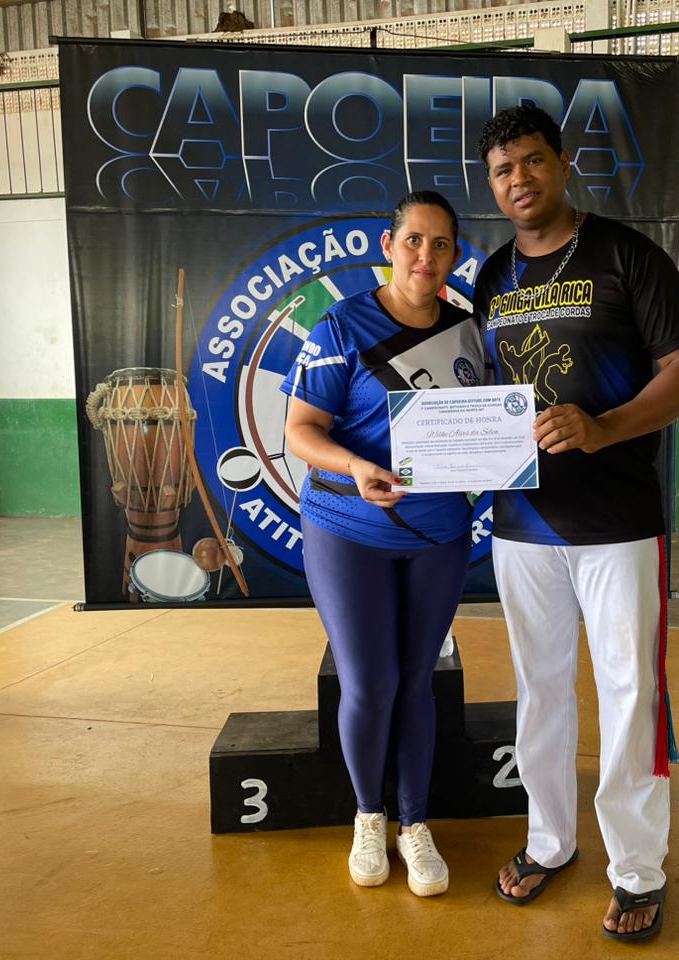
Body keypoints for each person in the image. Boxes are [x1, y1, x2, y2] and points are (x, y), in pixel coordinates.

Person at [473, 105, 679, 942]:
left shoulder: (626, 255)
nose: (520, 180)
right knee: (539, 690)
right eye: (503, 170)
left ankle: (638, 868)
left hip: (618, 519)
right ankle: (549, 840)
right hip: (521, 519)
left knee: (630, 691)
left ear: (563, 163)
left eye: (533, 161)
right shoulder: (491, 275)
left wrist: (604, 428)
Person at [281, 191, 485, 897]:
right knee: (370, 683)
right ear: (389, 246)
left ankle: (414, 824)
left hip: (438, 533)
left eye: (441, 244)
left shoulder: (470, 332)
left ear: (454, 256)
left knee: (417, 680)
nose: (426, 255)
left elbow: (485, 425)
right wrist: (356, 466)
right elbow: (300, 431)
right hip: (348, 527)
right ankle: (369, 816)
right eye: (414, 240)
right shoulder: (342, 325)